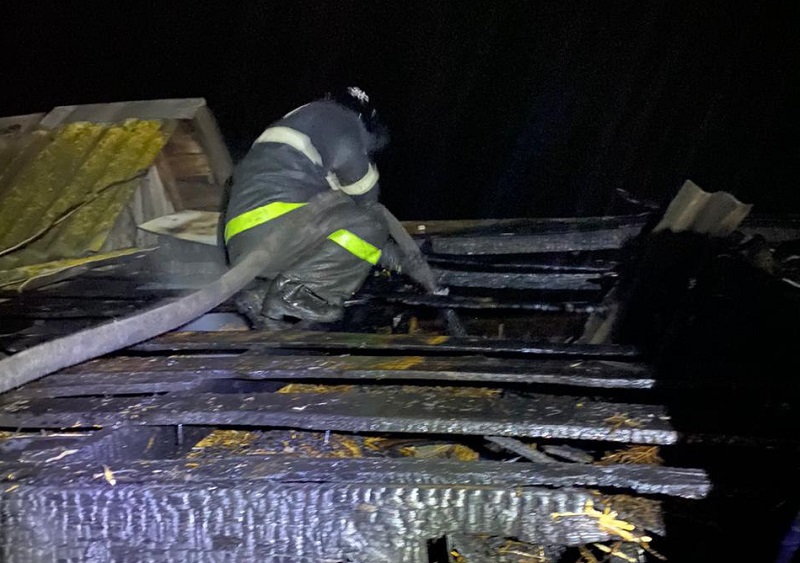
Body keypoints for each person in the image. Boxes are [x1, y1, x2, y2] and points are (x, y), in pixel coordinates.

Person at [221, 87, 402, 327]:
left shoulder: (301, 126)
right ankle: (294, 296)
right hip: (278, 227)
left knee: (342, 229)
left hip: (242, 243)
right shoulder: (344, 123)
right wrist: (389, 253)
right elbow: (367, 200)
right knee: (372, 225)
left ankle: (262, 296)